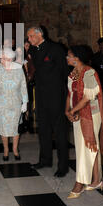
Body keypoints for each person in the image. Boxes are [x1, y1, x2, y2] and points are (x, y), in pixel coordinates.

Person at [66, 45, 103, 199]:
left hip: (91, 114)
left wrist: (74, 111)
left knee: (86, 146)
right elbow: (70, 93)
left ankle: (80, 182)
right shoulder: (73, 73)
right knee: (89, 146)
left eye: (69, 55)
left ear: (77, 58)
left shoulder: (89, 72)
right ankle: (96, 180)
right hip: (77, 113)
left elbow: (88, 96)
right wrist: (68, 110)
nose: (67, 58)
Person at [27, 26, 69, 177]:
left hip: (56, 95)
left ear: (40, 35)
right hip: (40, 95)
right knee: (43, 129)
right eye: (28, 37)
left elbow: (65, 71)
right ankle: (45, 160)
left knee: (59, 132)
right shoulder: (32, 50)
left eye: (31, 36)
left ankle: (63, 166)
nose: (29, 39)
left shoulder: (56, 49)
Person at [0, 48, 28, 160]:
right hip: (2, 102)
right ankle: (6, 149)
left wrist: (25, 102)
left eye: (4, 58)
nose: (1, 59)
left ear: (10, 59)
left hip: (16, 102)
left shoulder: (18, 68)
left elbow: (23, 85)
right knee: (4, 128)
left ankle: (15, 149)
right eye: (1, 57)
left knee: (15, 127)